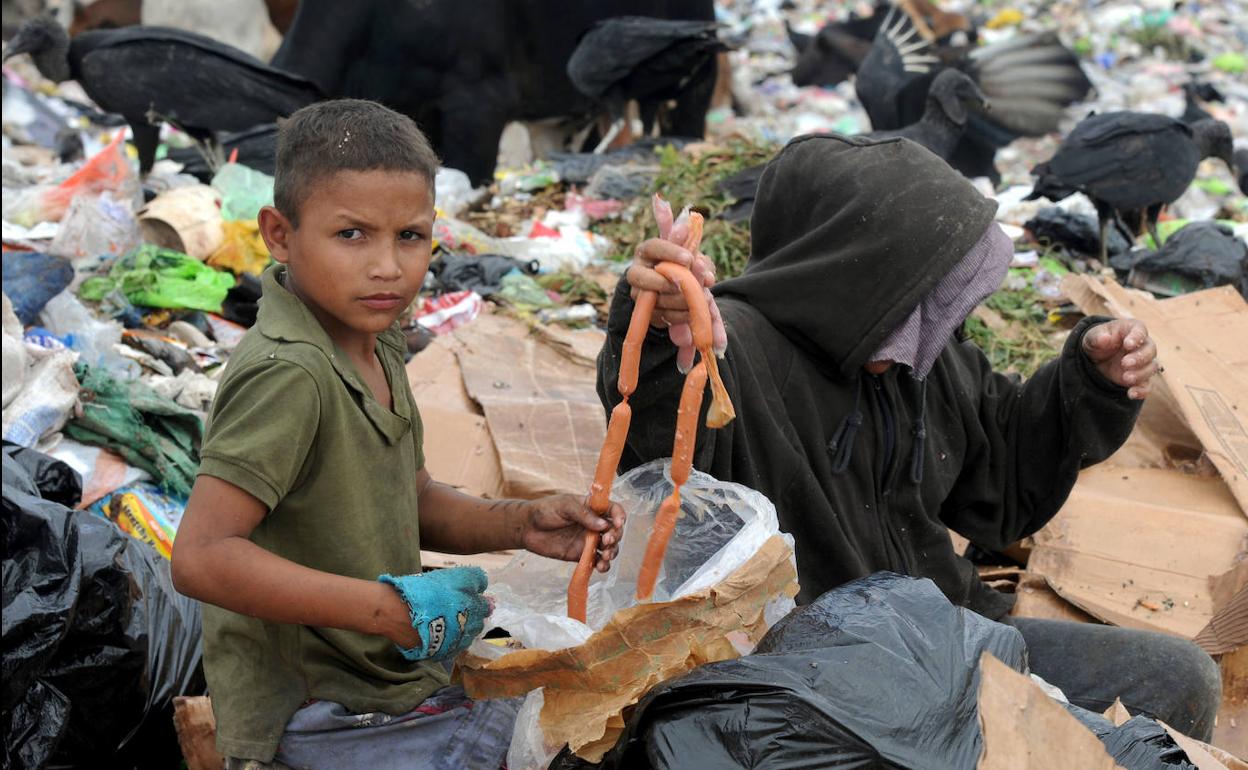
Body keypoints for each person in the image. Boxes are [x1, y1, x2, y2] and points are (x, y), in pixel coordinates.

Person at [597, 134, 1220, 739]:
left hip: (949, 631)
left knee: (1177, 678)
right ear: (844, 271)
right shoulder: (734, 346)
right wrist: (657, 328)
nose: (924, 324)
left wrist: (1090, 379)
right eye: (905, 295)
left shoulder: (924, 355)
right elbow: (660, 449)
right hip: (814, 674)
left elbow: (1004, 479)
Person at [171, 99, 626, 770]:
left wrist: (520, 522)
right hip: (319, 709)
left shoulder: (371, 339)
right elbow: (201, 556)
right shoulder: (291, 373)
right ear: (279, 233)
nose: (387, 266)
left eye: (409, 236)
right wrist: (387, 611)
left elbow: (407, 497)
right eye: (351, 234)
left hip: (385, 676)